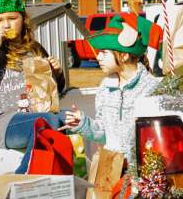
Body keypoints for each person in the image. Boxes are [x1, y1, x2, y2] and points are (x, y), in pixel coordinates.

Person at [0, 0, 65, 173]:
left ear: (23, 19)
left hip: (36, 114)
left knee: (69, 118)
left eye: (12, 18)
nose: (6, 25)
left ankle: (64, 180)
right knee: (45, 122)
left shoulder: (35, 49)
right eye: (0, 20)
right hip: (3, 123)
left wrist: (57, 73)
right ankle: (22, 178)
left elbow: (52, 93)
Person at [63, 13, 161, 159]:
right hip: (112, 168)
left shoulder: (152, 89)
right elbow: (103, 134)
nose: (98, 57)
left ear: (124, 55)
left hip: (144, 171)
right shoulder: (105, 88)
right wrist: (84, 123)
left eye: (104, 52)